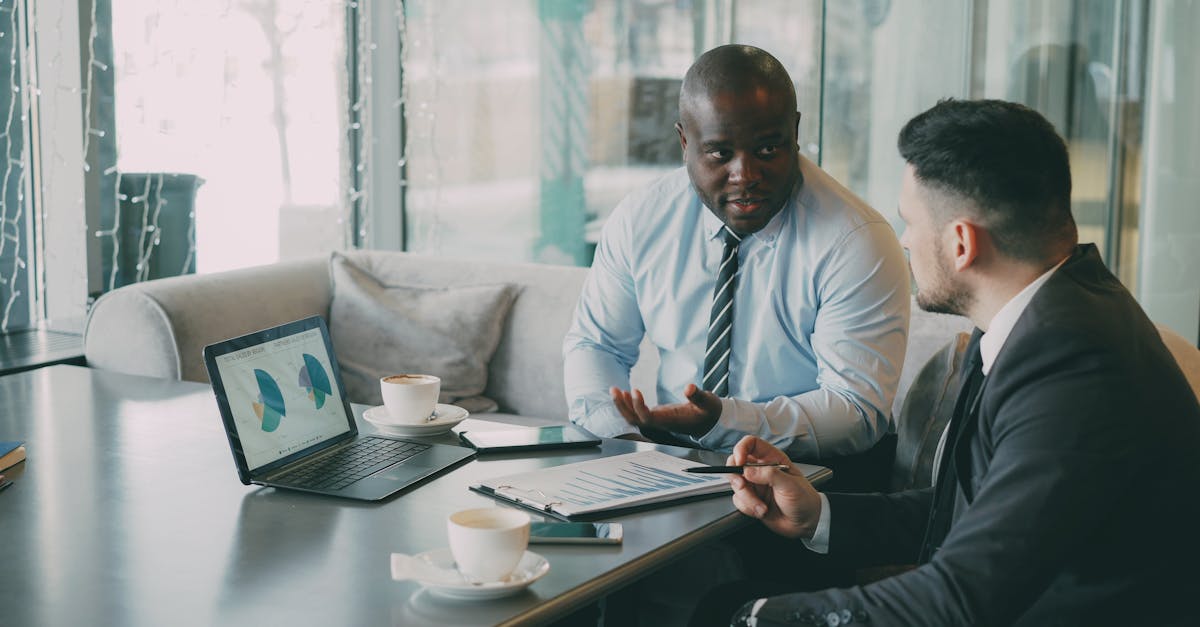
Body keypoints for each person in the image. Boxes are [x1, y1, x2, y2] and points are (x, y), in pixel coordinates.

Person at [701, 99, 1200, 626]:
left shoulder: (1075, 366)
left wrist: (756, 620)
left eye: (910, 222)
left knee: (725, 612)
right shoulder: (1044, 319)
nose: (904, 241)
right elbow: (975, 517)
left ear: (961, 243)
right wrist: (820, 515)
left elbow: (961, 598)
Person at [563, 44, 910, 470]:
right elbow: (596, 345)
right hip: (672, 455)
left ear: (795, 131)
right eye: (720, 153)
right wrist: (623, 442)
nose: (745, 176)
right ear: (684, 141)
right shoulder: (642, 219)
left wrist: (725, 421)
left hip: (811, 474)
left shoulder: (856, 240)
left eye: (768, 150)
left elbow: (856, 411)